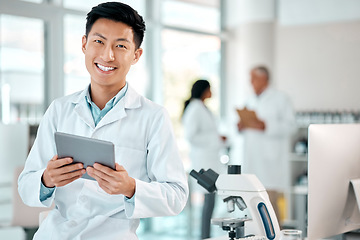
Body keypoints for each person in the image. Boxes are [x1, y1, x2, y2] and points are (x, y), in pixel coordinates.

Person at [18, 2, 188, 240]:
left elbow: (177, 196)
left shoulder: (153, 116)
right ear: (84, 44)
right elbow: (26, 185)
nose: (108, 55)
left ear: (136, 55)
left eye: (120, 46)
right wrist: (47, 179)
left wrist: (130, 187)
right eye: (99, 42)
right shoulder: (59, 109)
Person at [237, 66, 297, 221]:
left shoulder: (281, 98)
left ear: (264, 79)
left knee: (270, 204)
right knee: (253, 204)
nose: (250, 82)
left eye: (253, 78)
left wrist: (267, 126)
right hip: (252, 158)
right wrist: (241, 126)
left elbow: (291, 126)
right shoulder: (249, 99)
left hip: (270, 162)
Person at [182, 79, 227, 239]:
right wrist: (215, 139)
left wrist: (218, 139)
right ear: (204, 90)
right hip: (203, 160)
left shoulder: (202, 108)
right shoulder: (195, 108)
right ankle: (204, 236)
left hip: (210, 159)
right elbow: (191, 136)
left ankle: (205, 235)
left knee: (210, 200)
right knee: (208, 200)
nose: (212, 92)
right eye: (210, 89)